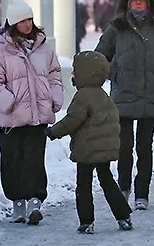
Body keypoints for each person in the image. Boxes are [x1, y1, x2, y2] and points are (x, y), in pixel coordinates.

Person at [0, 0, 64, 226]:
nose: (27, 24)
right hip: (12, 120)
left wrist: (54, 98)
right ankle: (18, 202)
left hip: (37, 117)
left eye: (30, 19)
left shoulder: (43, 49)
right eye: (22, 20)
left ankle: (36, 200)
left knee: (35, 160)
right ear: (12, 23)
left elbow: (55, 75)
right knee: (12, 161)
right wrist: (10, 102)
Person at [95, 0, 154, 211]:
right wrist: (116, 74)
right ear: (127, 3)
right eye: (134, 0)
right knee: (124, 146)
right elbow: (100, 57)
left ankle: (142, 192)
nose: (139, 3)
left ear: (150, 3)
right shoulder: (116, 28)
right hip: (123, 95)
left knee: (145, 146)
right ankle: (124, 187)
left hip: (149, 95)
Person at [46, 50, 134, 234]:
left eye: (75, 72)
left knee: (83, 185)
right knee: (108, 182)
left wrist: (53, 132)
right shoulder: (103, 95)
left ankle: (87, 221)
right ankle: (123, 216)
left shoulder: (83, 97)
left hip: (87, 150)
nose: (72, 75)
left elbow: (72, 120)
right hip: (103, 149)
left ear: (86, 73)